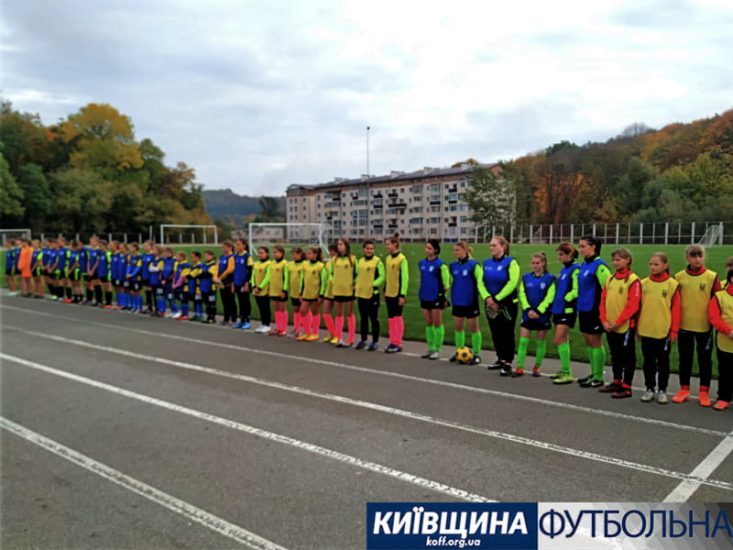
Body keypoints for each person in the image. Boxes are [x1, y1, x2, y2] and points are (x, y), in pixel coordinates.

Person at [673, 245, 720, 407]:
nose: (697, 259)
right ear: (687, 258)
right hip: (684, 325)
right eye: (693, 256)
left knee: (705, 360)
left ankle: (703, 392)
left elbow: (718, 302)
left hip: (704, 327)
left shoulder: (711, 277)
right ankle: (684, 389)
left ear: (704, 257)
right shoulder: (679, 277)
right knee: (685, 359)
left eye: (700, 256)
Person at [638, 252, 681, 404]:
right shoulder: (643, 283)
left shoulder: (672, 285)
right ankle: (649, 388)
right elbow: (638, 307)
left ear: (665, 265)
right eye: (651, 264)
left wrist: (674, 330)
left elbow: (676, 310)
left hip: (663, 331)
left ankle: (662, 390)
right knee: (648, 362)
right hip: (646, 329)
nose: (653, 267)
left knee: (663, 363)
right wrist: (637, 328)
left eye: (656, 264)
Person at [599, 248, 641, 398]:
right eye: (614, 260)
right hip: (610, 326)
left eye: (618, 259)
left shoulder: (633, 280)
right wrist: (604, 320)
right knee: (615, 354)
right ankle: (617, 381)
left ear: (627, 260)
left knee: (627, 356)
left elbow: (633, 306)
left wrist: (618, 322)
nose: (615, 263)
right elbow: (602, 301)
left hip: (625, 326)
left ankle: (627, 386)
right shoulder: (610, 279)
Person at [576, 236, 612, 388]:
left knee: (595, 341)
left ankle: (598, 376)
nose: (580, 249)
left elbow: (608, 287)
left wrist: (603, 310)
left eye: (583, 246)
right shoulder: (584, 264)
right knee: (588, 341)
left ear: (593, 247)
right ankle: (593, 372)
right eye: (580, 246)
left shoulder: (600, 266)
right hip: (583, 307)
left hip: (594, 309)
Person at [482, 236, 520, 375]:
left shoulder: (511, 262)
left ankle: (508, 362)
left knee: (507, 332)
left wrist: (497, 299)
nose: (491, 248)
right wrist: (487, 297)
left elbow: (512, 283)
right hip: (490, 304)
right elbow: (481, 282)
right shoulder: (486, 263)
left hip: (507, 304)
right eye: (490, 245)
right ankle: (500, 358)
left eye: (494, 245)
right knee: (495, 331)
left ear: (503, 247)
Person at [514, 252, 556, 378]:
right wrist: (528, 309)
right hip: (528, 314)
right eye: (533, 263)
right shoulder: (526, 277)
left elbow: (550, 297)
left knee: (540, 342)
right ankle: (519, 367)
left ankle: (537, 367)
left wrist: (538, 311)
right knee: (523, 341)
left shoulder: (550, 278)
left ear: (543, 263)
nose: (535, 265)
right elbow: (522, 294)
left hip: (542, 315)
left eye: (537, 263)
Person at [449, 241, 484, 365]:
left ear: (465, 250)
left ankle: (477, 354)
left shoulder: (474, 265)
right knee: (458, 328)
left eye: (457, 250)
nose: (455, 252)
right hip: (457, 301)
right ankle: (459, 352)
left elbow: (480, 282)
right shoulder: (452, 266)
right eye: (454, 250)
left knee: (474, 328)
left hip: (471, 301)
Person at [549, 243, 580, 384]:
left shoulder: (575, 269)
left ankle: (567, 373)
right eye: (558, 254)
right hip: (558, 309)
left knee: (559, 339)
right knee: (563, 339)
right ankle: (564, 369)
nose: (559, 257)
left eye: (561, 254)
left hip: (567, 310)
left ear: (570, 254)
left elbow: (576, 290)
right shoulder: (564, 270)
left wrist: (567, 298)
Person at [418, 239, 450, 360]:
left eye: (430, 248)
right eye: (426, 247)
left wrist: (444, 298)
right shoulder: (421, 263)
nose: (427, 250)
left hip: (436, 297)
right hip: (424, 296)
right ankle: (430, 348)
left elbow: (446, 285)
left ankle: (437, 349)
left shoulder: (440, 265)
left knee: (437, 323)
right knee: (428, 323)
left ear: (436, 250)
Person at [708, 269, 733, 411]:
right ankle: (723, 397)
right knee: (725, 371)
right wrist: (728, 331)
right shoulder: (719, 296)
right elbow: (714, 317)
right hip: (725, 341)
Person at [355, 240, 385, 351]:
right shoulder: (360, 261)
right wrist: (356, 285)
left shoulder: (377, 261)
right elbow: (358, 275)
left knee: (373, 318)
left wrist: (373, 284)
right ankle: (363, 339)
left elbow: (382, 276)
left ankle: (375, 341)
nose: (369, 251)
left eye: (371, 249)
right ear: (363, 249)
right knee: (363, 318)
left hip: (373, 295)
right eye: (367, 248)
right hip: (361, 294)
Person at [296, 246, 328, 342]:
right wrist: (300, 292)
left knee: (314, 311)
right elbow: (302, 279)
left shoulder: (320, 266)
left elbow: (323, 281)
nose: (307, 255)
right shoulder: (305, 265)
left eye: (309, 253)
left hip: (316, 294)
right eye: (307, 253)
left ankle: (315, 333)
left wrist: (321, 295)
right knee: (302, 311)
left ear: (315, 255)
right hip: (307, 293)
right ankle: (307, 332)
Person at [329, 238, 357, 347]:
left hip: (349, 290)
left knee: (349, 313)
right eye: (338, 244)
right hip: (337, 290)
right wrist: (333, 280)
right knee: (339, 314)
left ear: (346, 246)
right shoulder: (334, 259)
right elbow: (331, 273)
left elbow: (357, 274)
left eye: (341, 244)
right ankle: (338, 337)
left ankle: (351, 338)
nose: (339, 246)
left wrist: (353, 283)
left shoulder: (353, 259)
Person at [384, 234, 409, 353]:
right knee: (391, 318)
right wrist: (385, 289)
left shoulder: (402, 259)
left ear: (395, 245)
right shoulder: (388, 259)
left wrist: (402, 295)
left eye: (388, 244)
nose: (386, 246)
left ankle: (398, 342)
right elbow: (388, 276)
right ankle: (392, 341)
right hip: (389, 292)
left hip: (397, 293)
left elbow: (404, 278)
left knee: (397, 317)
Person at [267, 245, 290, 336]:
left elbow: (286, 278)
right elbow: (269, 277)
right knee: (276, 309)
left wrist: (284, 290)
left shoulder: (285, 264)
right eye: (273, 252)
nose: (274, 254)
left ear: (281, 253)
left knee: (282, 309)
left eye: (276, 252)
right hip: (273, 289)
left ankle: (283, 328)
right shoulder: (272, 264)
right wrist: (269, 288)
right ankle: (278, 327)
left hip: (281, 290)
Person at [232, 239, 253, 329]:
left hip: (244, 283)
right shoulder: (236, 256)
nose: (237, 246)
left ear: (244, 245)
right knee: (240, 302)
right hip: (237, 282)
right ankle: (242, 320)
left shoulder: (247, 256)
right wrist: (233, 283)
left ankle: (247, 321)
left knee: (245, 302)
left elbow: (250, 271)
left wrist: (247, 283)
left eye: (239, 244)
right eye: (236, 244)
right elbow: (234, 270)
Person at [251, 246, 272, 333]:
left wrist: (260, 287)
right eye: (259, 253)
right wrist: (253, 286)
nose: (260, 254)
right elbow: (253, 275)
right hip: (256, 289)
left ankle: (267, 325)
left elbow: (268, 277)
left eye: (262, 253)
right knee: (260, 307)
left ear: (267, 253)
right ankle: (263, 323)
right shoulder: (256, 264)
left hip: (264, 290)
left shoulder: (269, 264)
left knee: (265, 307)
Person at [288, 247, 307, 336]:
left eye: (294, 254)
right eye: (292, 254)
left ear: (300, 254)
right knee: (296, 309)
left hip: (302, 292)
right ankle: (296, 328)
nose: (293, 256)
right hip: (293, 291)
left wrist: (302, 292)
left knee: (303, 310)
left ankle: (304, 328)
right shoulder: (290, 264)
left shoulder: (304, 264)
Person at [321, 244, 338, 342]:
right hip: (328, 291)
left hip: (337, 291)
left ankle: (337, 335)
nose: (331, 253)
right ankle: (332, 333)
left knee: (337, 315)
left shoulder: (339, 262)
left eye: (333, 251)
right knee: (326, 314)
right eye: (330, 251)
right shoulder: (328, 263)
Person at [217, 241, 236, 325]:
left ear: (230, 247)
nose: (223, 249)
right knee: (224, 301)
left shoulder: (232, 257)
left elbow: (229, 270)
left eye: (224, 247)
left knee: (231, 301)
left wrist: (220, 278)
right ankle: (226, 318)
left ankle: (233, 319)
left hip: (229, 282)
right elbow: (217, 268)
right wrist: (216, 277)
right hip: (221, 283)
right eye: (222, 247)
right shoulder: (221, 257)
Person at [124, 243, 143, 313]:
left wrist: (132, 274)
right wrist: (127, 274)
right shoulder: (130, 256)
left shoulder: (139, 256)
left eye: (131, 247)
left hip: (137, 277)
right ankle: (134, 306)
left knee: (137, 291)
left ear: (135, 248)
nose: (130, 249)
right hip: (130, 277)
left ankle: (139, 307)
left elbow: (138, 267)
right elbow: (128, 266)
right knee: (132, 291)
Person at [172, 252, 191, 320]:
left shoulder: (186, 265)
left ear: (182, 257)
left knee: (184, 300)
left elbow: (183, 277)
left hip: (184, 286)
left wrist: (176, 285)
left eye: (177, 256)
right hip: (177, 285)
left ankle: (185, 314)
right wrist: (173, 283)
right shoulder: (179, 264)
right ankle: (182, 313)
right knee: (181, 299)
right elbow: (176, 275)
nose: (176, 258)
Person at [160, 247, 177, 316]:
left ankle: (175, 311)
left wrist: (166, 280)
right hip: (164, 281)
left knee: (170, 297)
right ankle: (170, 311)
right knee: (165, 296)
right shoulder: (165, 260)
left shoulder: (174, 261)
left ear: (169, 252)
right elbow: (162, 270)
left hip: (170, 282)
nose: (164, 254)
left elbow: (174, 272)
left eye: (165, 252)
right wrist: (162, 279)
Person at [187, 251, 204, 322]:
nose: (192, 259)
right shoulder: (192, 266)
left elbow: (191, 275)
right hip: (192, 286)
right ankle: (196, 314)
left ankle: (201, 315)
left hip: (197, 287)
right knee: (194, 301)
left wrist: (186, 274)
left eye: (193, 257)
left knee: (198, 301)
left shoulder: (199, 266)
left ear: (197, 257)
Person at [97, 240, 114, 308]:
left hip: (106, 272)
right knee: (103, 287)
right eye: (99, 246)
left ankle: (109, 303)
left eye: (101, 246)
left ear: (105, 246)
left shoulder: (108, 253)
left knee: (108, 287)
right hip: (101, 272)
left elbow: (110, 263)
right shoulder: (101, 253)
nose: (100, 247)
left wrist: (109, 272)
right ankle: (106, 302)